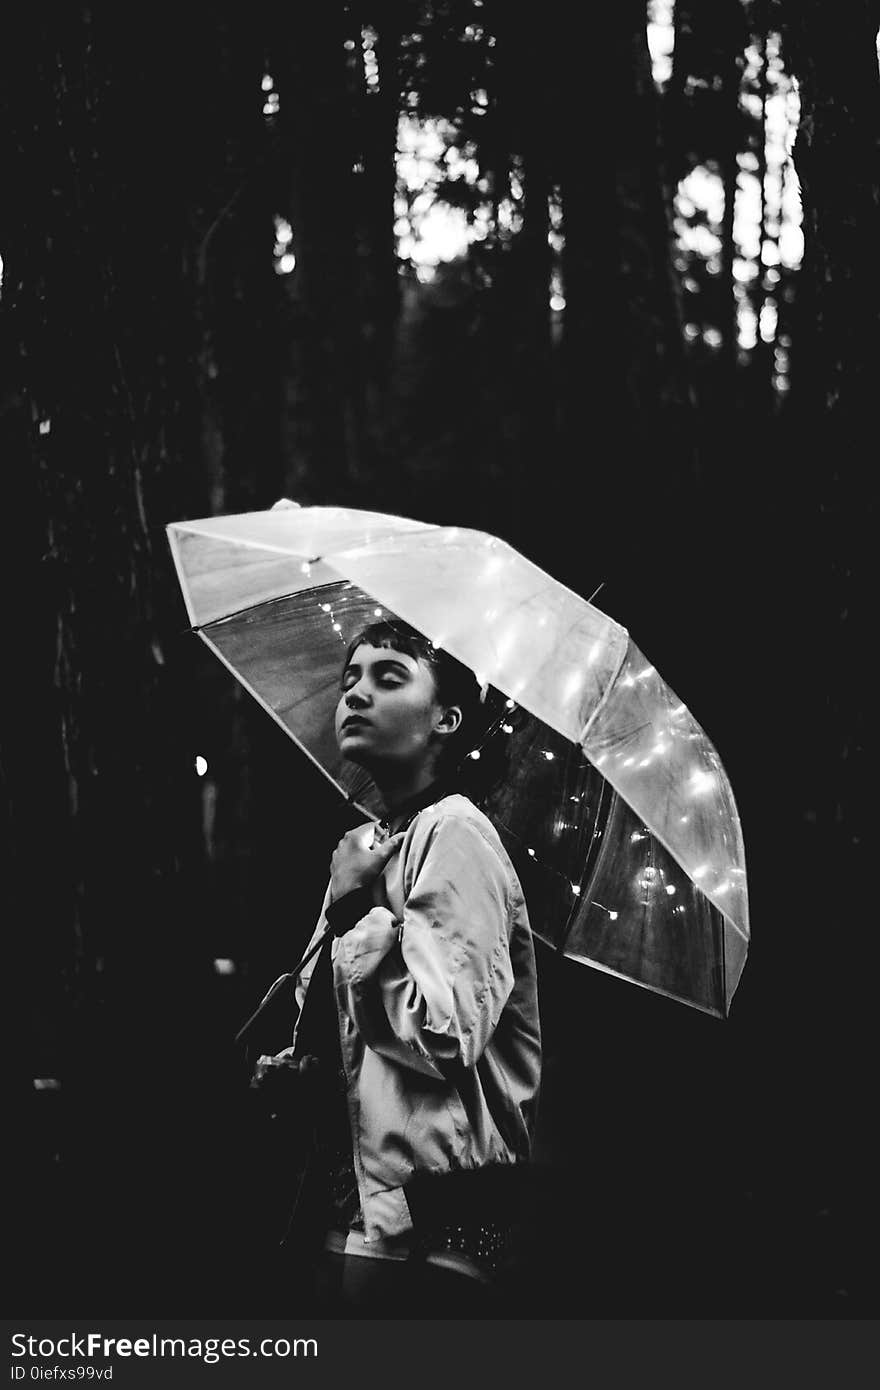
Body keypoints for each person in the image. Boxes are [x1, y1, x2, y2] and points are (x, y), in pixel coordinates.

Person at [252, 619, 541, 1316]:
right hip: (349, 1209)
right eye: (350, 679)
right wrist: (301, 1065)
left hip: (429, 1227)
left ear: (447, 719)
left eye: (388, 677)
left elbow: (444, 1035)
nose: (355, 695)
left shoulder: (456, 832)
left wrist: (356, 914)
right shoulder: (369, 846)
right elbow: (359, 1039)